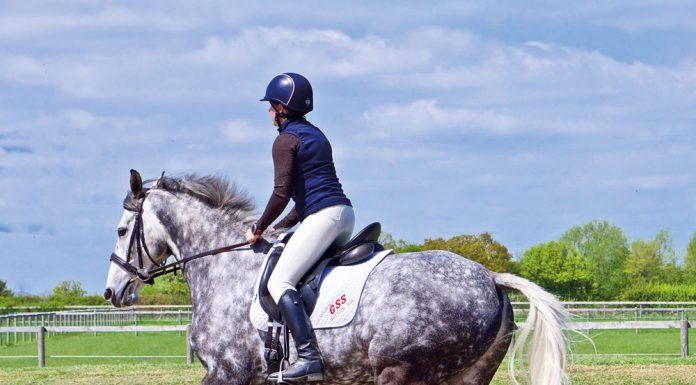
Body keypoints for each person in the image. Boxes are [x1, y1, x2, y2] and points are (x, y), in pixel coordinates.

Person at [246, 72, 354, 382]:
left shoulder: (285, 140)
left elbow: (281, 193)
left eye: (270, 106)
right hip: (342, 214)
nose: (268, 112)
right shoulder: (316, 134)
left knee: (279, 282)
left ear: (281, 107)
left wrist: (258, 227)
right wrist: (278, 228)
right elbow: (303, 199)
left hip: (323, 217)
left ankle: (308, 356)